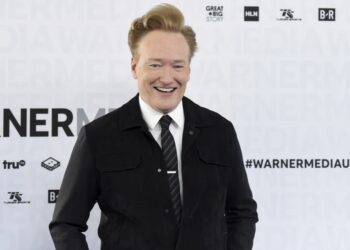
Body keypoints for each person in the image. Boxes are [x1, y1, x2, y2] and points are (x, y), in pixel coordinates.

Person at [49, 3, 258, 250]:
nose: (167, 78)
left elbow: (242, 213)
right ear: (134, 67)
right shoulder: (99, 137)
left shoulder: (220, 132)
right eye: (155, 64)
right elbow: (66, 224)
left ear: (189, 69)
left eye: (177, 65)